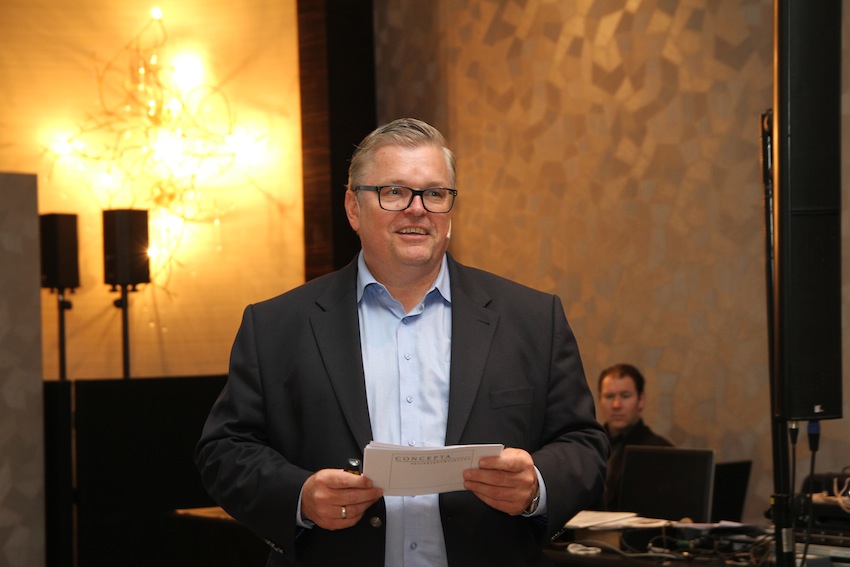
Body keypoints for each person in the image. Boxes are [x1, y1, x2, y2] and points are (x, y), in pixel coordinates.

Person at [195, 118, 609, 566]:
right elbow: (225, 451)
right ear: (353, 208)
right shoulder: (276, 325)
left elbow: (583, 443)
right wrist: (300, 497)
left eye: (435, 193)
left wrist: (536, 487)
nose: (417, 209)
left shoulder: (532, 319)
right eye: (394, 192)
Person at [597, 363, 672, 510]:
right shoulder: (587, 447)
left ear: (641, 400)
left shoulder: (661, 451)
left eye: (625, 396)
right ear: (599, 400)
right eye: (609, 396)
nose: (616, 405)